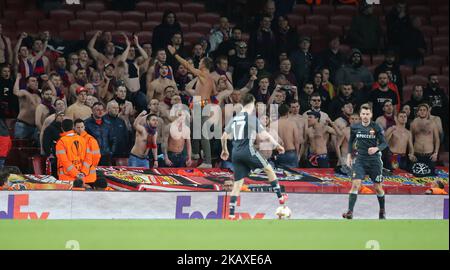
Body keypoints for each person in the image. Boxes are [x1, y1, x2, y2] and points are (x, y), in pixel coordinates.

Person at [221, 93, 288, 219]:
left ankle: (230, 214)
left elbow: (224, 136)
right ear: (252, 102)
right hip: (247, 151)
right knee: (268, 169)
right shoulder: (251, 118)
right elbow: (263, 136)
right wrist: (277, 145)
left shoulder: (234, 119)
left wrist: (224, 150)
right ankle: (280, 197)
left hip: (236, 154)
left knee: (237, 183)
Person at [167, 44, 216, 168]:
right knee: (195, 130)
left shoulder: (204, 74)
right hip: (203, 104)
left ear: (204, 64)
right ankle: (196, 154)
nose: (198, 63)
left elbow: (188, 66)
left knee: (202, 134)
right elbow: (214, 92)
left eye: (200, 61)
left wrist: (175, 54)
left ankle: (207, 162)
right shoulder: (210, 78)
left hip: (202, 105)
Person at [343, 104, 389, 220]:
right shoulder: (355, 127)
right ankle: (350, 212)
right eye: (363, 114)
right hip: (360, 160)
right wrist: (349, 155)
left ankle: (382, 211)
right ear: (360, 115)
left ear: (371, 115)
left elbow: (384, 143)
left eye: (367, 114)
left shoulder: (376, 127)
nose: (365, 116)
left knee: (378, 188)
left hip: (374, 161)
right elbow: (350, 142)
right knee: (355, 185)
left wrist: (376, 148)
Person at [410, 104, 440, 177]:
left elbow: (437, 139)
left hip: (429, 156)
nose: (422, 112)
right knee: (415, 178)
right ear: (418, 112)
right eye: (420, 110)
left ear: (427, 112)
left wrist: (436, 153)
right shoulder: (413, 123)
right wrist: (411, 153)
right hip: (417, 155)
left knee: (430, 177)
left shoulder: (433, 123)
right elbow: (410, 139)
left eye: (424, 110)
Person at [13, 74, 41, 143]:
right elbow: (16, 92)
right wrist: (17, 79)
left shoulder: (38, 96)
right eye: (33, 81)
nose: (36, 82)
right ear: (27, 84)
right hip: (22, 125)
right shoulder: (24, 92)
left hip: (35, 127)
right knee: (19, 148)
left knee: (34, 150)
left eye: (36, 81)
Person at [74, 119, 101, 186]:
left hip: (88, 176)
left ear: (84, 127)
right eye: (78, 127)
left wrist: (90, 166)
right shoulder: (72, 139)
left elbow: (96, 156)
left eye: (82, 127)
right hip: (77, 174)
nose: (80, 129)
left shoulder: (90, 139)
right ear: (74, 127)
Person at [273, 104, 300, 168]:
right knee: (294, 176)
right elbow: (297, 141)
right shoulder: (292, 124)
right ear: (288, 112)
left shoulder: (273, 124)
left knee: (280, 176)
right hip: (291, 152)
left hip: (278, 153)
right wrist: (297, 153)